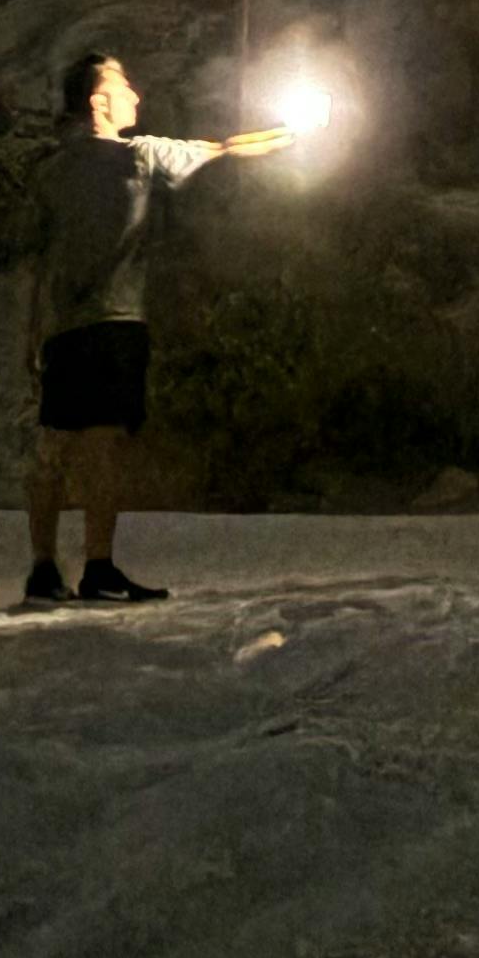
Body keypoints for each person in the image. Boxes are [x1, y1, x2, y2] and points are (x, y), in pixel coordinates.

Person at [22, 50, 293, 607]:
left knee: (66, 446)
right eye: (124, 86)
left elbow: (222, 150)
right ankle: (80, 569)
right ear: (98, 102)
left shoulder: (107, 161)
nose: (136, 97)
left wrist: (293, 132)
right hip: (106, 325)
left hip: (76, 328)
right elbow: (224, 152)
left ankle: (57, 569)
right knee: (85, 447)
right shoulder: (126, 160)